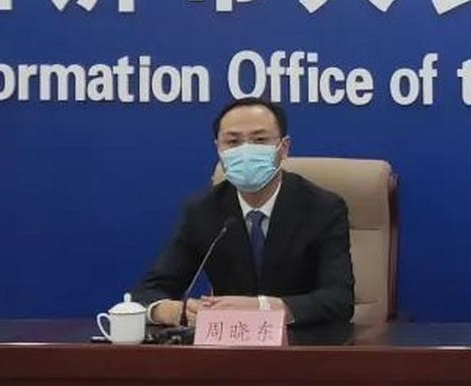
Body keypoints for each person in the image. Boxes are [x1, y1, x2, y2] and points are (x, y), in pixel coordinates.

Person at [134, 97, 354, 327]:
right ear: (219, 149)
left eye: (260, 140)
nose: (246, 150)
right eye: (233, 142)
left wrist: (264, 308)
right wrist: (167, 311)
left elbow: (339, 300)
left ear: (284, 148)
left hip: (303, 341)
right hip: (228, 341)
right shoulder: (202, 210)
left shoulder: (323, 207)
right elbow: (148, 292)